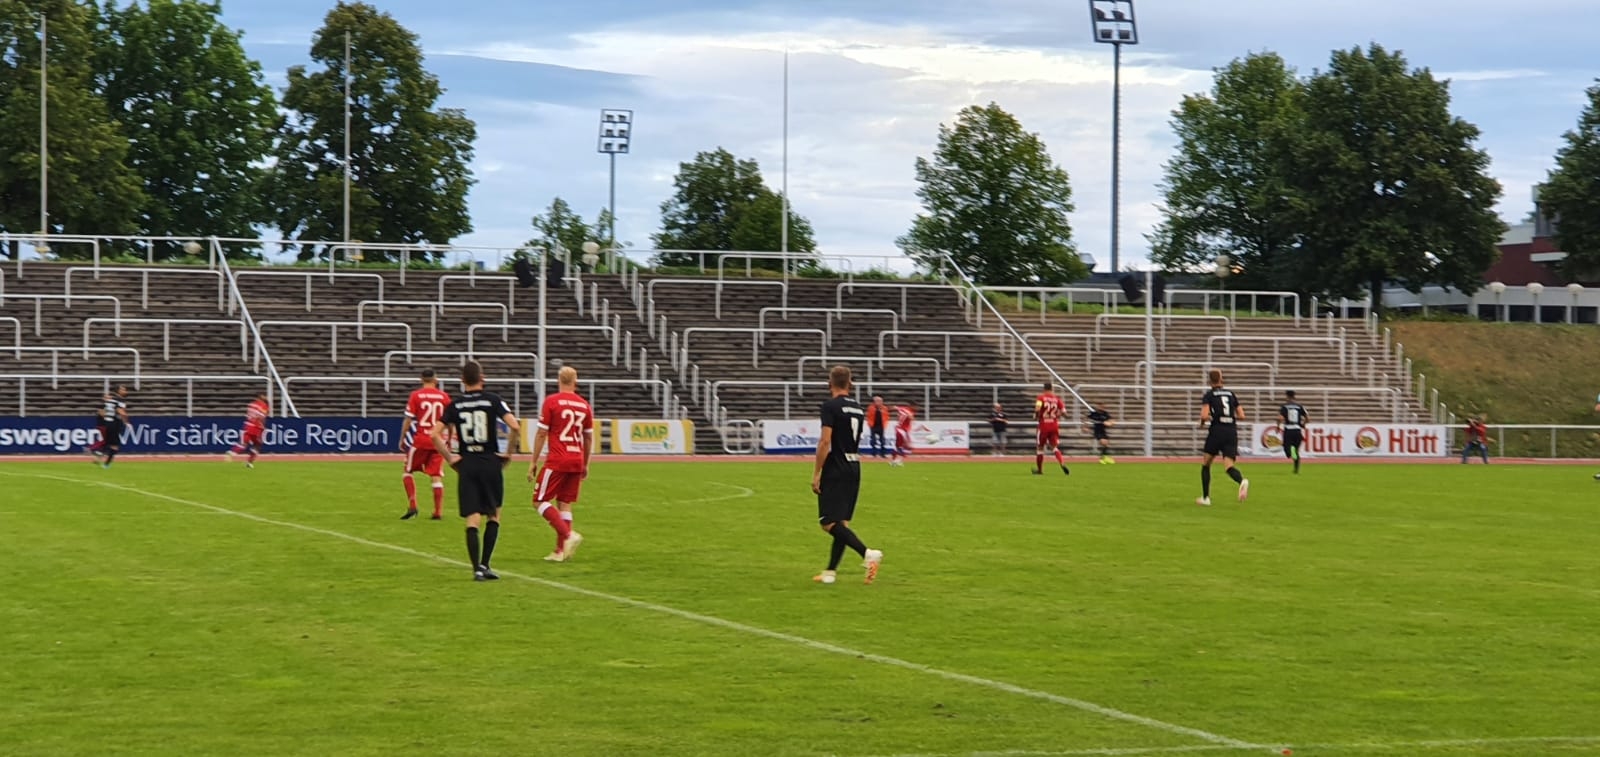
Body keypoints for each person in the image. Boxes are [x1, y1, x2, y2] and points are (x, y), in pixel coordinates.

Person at [432, 360, 520, 582]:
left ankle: (476, 570)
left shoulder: (456, 404)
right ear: (482, 378)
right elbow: (515, 426)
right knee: (494, 514)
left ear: (462, 381)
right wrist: (508, 453)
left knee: (472, 518)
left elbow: (434, 434)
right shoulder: (493, 400)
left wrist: (450, 458)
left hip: (468, 464)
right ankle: (485, 564)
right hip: (490, 462)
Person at [811, 365, 883, 585]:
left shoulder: (830, 406)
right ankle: (830, 572)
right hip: (854, 465)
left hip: (837, 466)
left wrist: (817, 472)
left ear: (829, 383)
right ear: (850, 383)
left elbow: (825, 441)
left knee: (827, 522)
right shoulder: (858, 408)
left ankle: (867, 553)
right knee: (841, 523)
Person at [527, 365, 594, 562]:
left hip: (558, 459)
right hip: (576, 458)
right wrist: (586, 463)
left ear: (559, 380)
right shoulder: (584, 405)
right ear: (575, 382)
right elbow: (588, 438)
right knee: (564, 503)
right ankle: (560, 551)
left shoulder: (552, 401)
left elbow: (542, 433)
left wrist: (533, 461)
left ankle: (567, 535)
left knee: (539, 500)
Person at [399, 368, 452, 520]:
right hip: (437, 441)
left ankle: (413, 506)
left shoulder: (416, 395)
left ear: (421, 379)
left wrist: (402, 438)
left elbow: (408, 419)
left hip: (421, 440)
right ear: (435, 379)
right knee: (436, 476)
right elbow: (450, 420)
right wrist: (449, 438)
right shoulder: (444, 397)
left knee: (407, 471)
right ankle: (437, 512)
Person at [1198, 369, 1249, 506]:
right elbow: (1242, 416)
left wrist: (1203, 422)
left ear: (1210, 381)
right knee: (1229, 466)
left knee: (1206, 464)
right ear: (1221, 379)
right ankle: (1242, 481)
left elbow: (1204, 416)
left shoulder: (1209, 395)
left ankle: (1206, 498)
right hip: (1231, 432)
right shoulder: (1231, 394)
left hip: (1217, 431)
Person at [87, 386, 130, 468]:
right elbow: (121, 412)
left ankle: (98, 455)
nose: (125, 391)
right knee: (115, 445)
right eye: (123, 390)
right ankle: (106, 464)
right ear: (118, 391)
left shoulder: (111, 399)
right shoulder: (119, 400)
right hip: (113, 424)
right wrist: (127, 422)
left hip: (107, 424)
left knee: (107, 443)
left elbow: (102, 411)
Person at [1033, 382, 1069, 476]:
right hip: (1054, 425)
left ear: (1044, 389)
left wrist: (1036, 416)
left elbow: (1037, 409)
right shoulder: (1057, 399)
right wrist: (1057, 415)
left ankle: (1040, 470)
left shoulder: (1041, 398)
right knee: (1054, 447)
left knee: (1040, 448)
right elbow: (1065, 413)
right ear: (1052, 389)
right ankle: (1062, 463)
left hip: (1044, 425)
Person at [226, 392, 271, 469]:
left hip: (247, 425)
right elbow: (262, 417)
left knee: (244, 443)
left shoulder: (251, 404)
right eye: (265, 396)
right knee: (257, 445)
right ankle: (249, 462)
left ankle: (233, 452)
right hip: (256, 427)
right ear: (261, 396)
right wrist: (263, 426)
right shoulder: (263, 405)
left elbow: (249, 414)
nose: (266, 397)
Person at [1277, 390, 1310, 474]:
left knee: (1287, 448)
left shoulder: (1284, 406)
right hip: (1297, 430)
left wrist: (1278, 426)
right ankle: (1296, 469)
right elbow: (1308, 418)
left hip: (1288, 430)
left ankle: (1290, 453)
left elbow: (1280, 418)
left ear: (1287, 396)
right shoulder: (1299, 406)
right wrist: (1303, 425)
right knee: (1296, 451)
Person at [890, 400, 916, 467]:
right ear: (912, 406)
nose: (915, 408)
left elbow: (895, 407)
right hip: (902, 430)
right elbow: (911, 417)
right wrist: (912, 418)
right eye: (915, 406)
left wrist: (895, 408)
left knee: (897, 446)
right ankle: (898, 461)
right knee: (905, 446)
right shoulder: (909, 411)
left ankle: (894, 461)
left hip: (898, 429)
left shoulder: (902, 408)